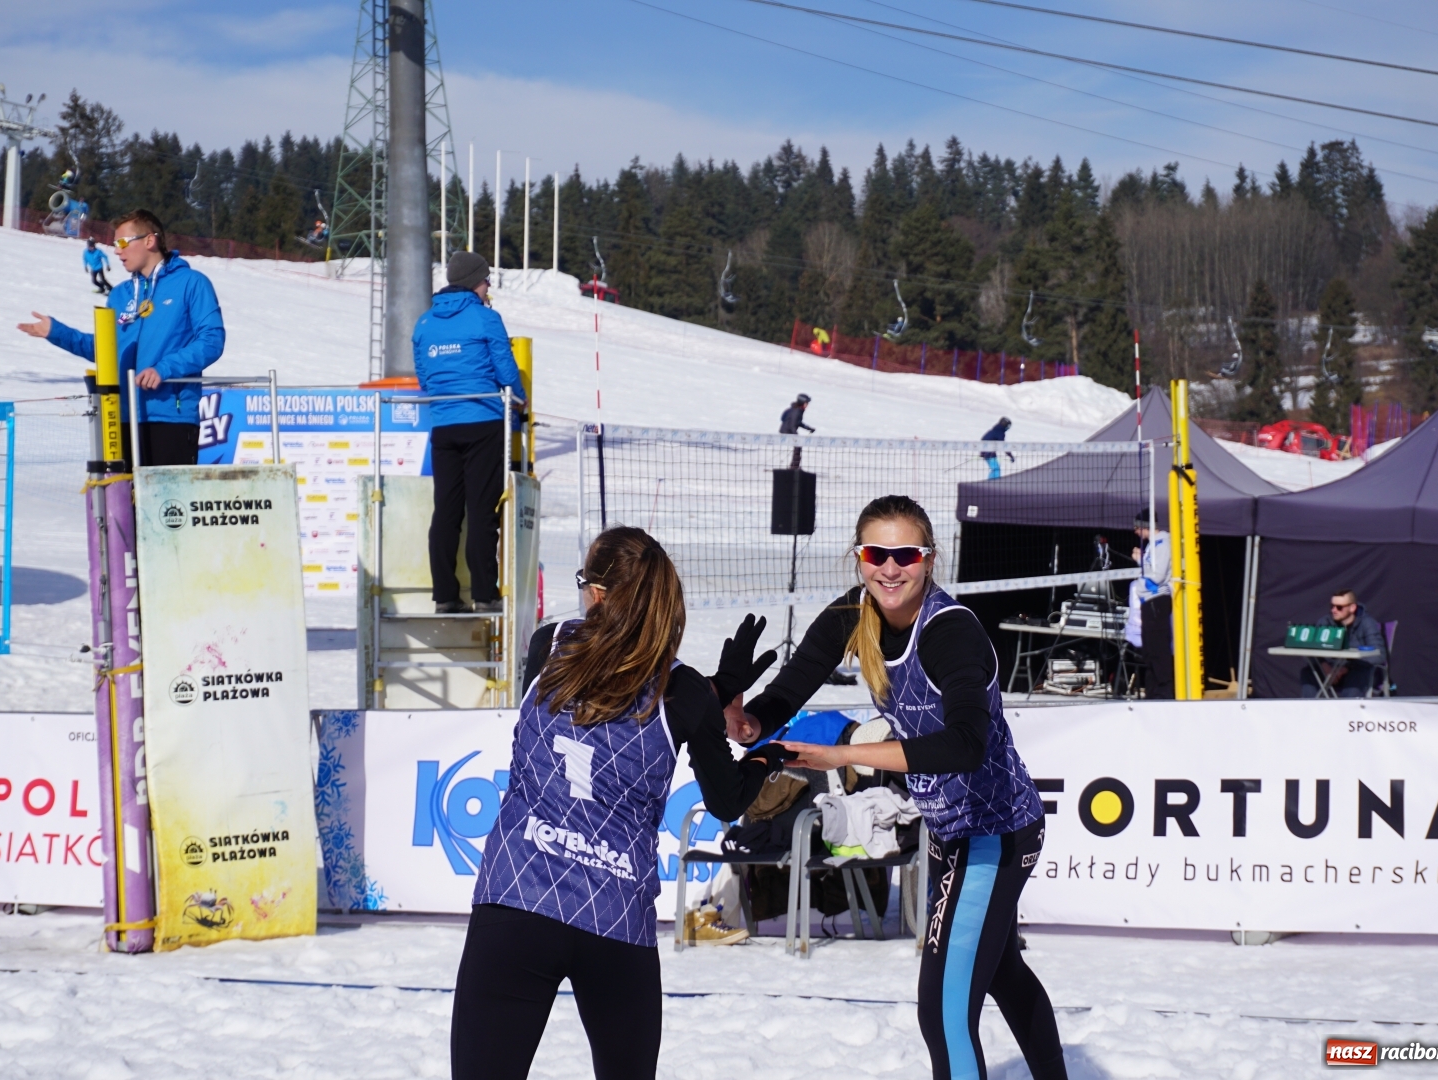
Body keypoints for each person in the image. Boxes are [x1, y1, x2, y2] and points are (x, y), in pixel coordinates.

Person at [732, 495, 1067, 1080]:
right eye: (876, 553)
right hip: (948, 831)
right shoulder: (853, 616)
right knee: (1001, 973)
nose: (890, 568)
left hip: (997, 832)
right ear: (859, 558)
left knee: (942, 1011)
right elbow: (790, 688)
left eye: (905, 554)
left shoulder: (950, 631)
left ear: (930, 559)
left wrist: (842, 753)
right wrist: (750, 720)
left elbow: (967, 745)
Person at [453, 526, 782, 1080]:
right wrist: (762, 753)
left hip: (517, 900)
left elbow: (605, 693)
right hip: (612, 921)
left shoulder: (550, 643)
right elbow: (727, 801)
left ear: (600, 594)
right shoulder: (686, 691)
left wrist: (712, 692)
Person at [16, 209, 225, 467]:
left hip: (171, 416)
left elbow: (211, 341)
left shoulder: (192, 283)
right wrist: (57, 333)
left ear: (150, 240)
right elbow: (106, 351)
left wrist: (164, 369)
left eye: (123, 243)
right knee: (124, 506)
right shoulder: (120, 294)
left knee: (165, 505)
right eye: (115, 244)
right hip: (122, 417)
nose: (117, 251)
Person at [414, 250, 527, 615]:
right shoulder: (486, 318)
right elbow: (506, 371)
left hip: (444, 426)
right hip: (483, 422)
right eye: (486, 279)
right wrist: (520, 400)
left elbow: (424, 377)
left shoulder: (424, 323)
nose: (489, 285)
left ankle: (445, 595)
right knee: (481, 510)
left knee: (446, 510)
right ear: (474, 282)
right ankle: (484, 594)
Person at [1300, 589, 1385, 698]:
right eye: (1332, 606)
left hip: (1356, 670)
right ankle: (1309, 711)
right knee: (1308, 672)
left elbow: (1380, 654)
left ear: (1352, 608)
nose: (1334, 610)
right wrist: (1324, 666)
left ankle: (1347, 712)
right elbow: (1309, 650)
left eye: (1339, 607)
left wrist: (1346, 668)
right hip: (1330, 671)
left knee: (1357, 674)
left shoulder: (1367, 623)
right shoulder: (1324, 622)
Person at [1131, 510, 1174, 700]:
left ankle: (1164, 693)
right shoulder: (1152, 546)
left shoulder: (1163, 542)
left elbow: (1157, 576)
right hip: (1147, 602)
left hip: (1157, 601)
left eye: (1137, 527)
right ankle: (1152, 693)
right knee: (1148, 652)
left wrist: (1139, 560)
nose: (1135, 532)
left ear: (1145, 526)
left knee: (1158, 650)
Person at [780, 393, 814, 468]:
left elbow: (798, 423)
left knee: (798, 447)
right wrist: (795, 436)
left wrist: (809, 428)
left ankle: (794, 466)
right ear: (802, 402)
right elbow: (792, 425)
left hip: (789, 430)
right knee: (798, 446)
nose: (807, 405)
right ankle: (794, 467)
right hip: (787, 431)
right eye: (806, 403)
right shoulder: (797, 411)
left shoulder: (799, 410)